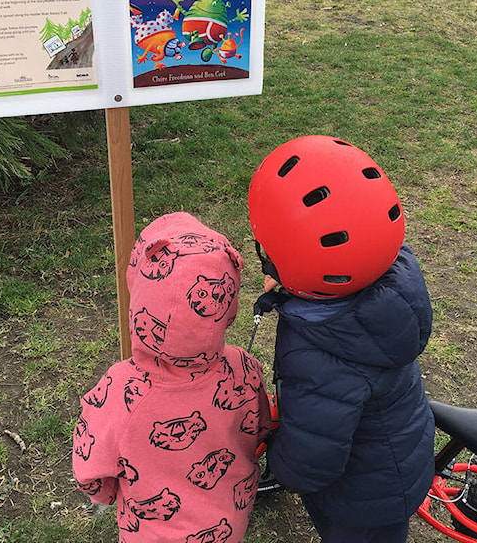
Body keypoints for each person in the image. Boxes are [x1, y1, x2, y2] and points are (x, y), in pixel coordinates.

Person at [247, 135, 435, 543]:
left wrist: (276, 461)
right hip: (399, 457)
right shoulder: (392, 284)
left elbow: (311, 461)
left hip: (362, 502)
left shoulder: (318, 357)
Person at [72, 212, 272, 543]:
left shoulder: (120, 389)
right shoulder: (244, 368)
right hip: (228, 523)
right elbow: (260, 431)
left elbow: (90, 469)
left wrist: (108, 495)